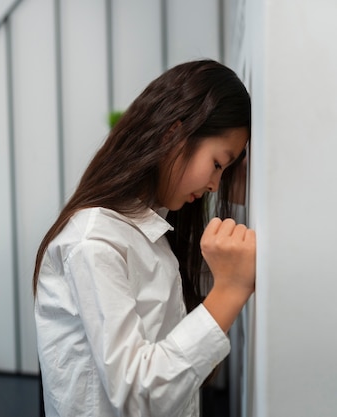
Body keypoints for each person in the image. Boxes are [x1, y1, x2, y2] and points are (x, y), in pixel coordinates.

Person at [33, 59, 255, 417]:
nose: (215, 183)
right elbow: (138, 393)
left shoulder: (151, 230)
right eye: (217, 164)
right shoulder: (94, 243)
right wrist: (229, 291)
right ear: (172, 135)